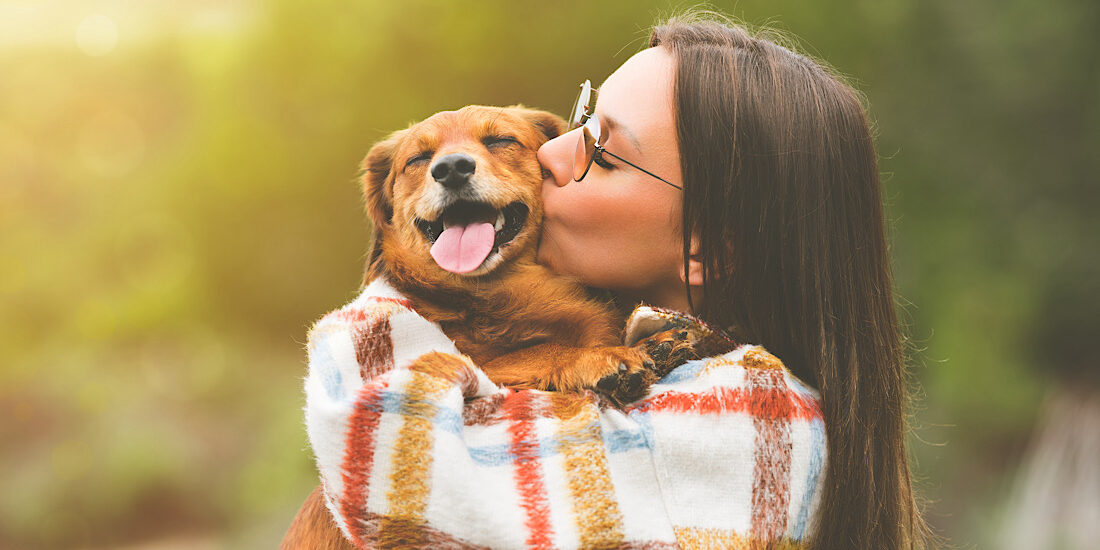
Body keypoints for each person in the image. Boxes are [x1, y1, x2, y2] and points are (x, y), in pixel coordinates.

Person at [286, 11, 939, 550]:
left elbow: (397, 446)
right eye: (583, 115)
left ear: (707, 248)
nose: (549, 152)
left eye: (603, 150)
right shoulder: (642, 359)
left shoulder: (753, 415)